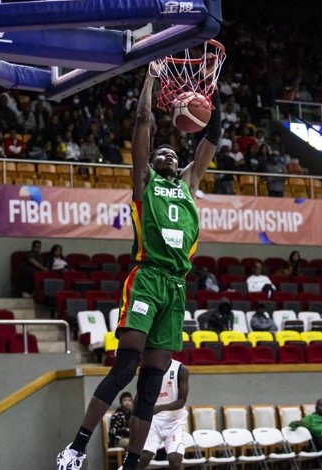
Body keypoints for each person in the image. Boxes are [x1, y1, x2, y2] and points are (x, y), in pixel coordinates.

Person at [55, 58, 220, 470]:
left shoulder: (188, 184)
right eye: (159, 152)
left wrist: (209, 104)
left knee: (150, 385)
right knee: (126, 364)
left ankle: (132, 463)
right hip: (146, 277)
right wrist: (150, 79)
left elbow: (212, 139)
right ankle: (76, 447)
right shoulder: (144, 183)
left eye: (171, 151)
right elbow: (143, 123)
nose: (164, 153)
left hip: (177, 287)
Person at [137, 360, 189, 470]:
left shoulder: (181, 369)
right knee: (144, 457)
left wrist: (160, 408)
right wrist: (135, 415)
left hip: (175, 421)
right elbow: (139, 395)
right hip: (154, 420)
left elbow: (182, 401)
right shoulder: (148, 368)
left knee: (175, 460)